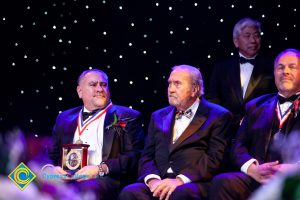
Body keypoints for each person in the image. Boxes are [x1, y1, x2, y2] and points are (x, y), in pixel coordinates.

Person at [119, 65, 232, 200]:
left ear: (194, 89)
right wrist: (153, 180)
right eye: (169, 84)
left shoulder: (219, 116)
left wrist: (179, 180)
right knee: (130, 192)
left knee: (179, 195)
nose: (171, 89)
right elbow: (147, 156)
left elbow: (214, 158)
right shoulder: (158, 116)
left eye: (177, 84)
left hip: (193, 182)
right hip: (159, 181)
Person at [209, 48, 300, 200]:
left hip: (294, 179)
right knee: (222, 182)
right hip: (258, 177)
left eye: (292, 67)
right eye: (280, 67)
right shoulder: (255, 106)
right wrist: (252, 169)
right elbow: (238, 146)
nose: (285, 71)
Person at [42, 69, 145, 200]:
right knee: (24, 182)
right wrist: (50, 169)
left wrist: (100, 169)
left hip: (103, 180)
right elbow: (51, 154)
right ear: (80, 92)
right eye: (93, 85)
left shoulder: (126, 117)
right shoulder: (64, 118)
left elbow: (133, 157)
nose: (100, 89)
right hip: (66, 179)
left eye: (103, 84)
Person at [206, 17, 277, 133]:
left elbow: (274, 100)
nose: (253, 40)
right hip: (226, 131)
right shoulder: (221, 68)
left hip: (260, 131)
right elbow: (212, 100)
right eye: (247, 36)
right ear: (236, 41)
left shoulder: (271, 67)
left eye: (256, 35)